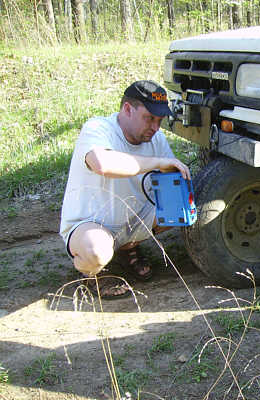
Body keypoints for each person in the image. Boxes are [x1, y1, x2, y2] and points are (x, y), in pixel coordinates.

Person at [60, 80, 190, 299]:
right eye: (149, 118)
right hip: (91, 225)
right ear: (127, 109)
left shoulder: (156, 138)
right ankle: (92, 272)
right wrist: (158, 163)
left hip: (134, 220)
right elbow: (102, 164)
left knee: (182, 208)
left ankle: (127, 247)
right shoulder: (98, 128)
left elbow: (171, 184)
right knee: (96, 251)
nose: (156, 127)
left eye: (159, 120)